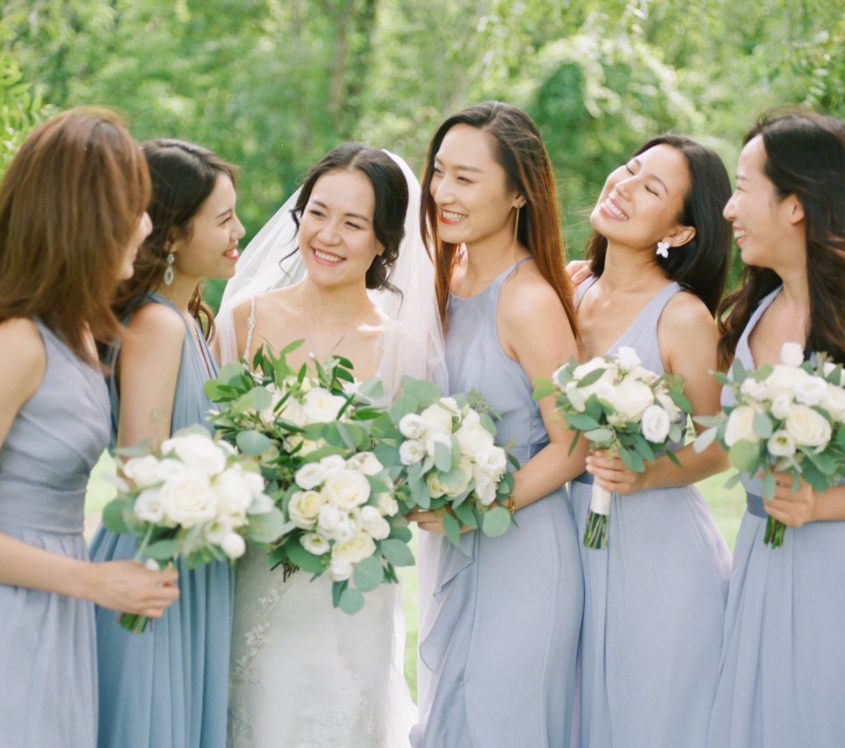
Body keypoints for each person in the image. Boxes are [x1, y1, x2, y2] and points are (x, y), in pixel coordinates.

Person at [0, 108, 178, 747]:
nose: (145, 224)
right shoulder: (14, 342)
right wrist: (92, 580)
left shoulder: (80, 330)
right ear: (84, 219)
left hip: (52, 612)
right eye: (133, 207)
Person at [707, 112, 845, 747]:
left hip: (841, 572)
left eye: (745, 187)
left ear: (797, 205)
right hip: (760, 555)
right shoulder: (753, 313)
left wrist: (818, 502)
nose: (729, 208)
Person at [217, 142, 441, 747]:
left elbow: (408, 490)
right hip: (252, 573)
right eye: (318, 212)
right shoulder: (244, 321)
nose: (329, 235)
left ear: (384, 243)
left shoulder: (404, 351)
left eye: (354, 223)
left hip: (347, 598)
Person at [410, 101, 584, 748]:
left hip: (524, 549)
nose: (443, 193)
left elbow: (573, 445)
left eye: (467, 178)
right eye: (439, 173)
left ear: (518, 193)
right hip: (452, 544)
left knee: (502, 722)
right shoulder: (437, 277)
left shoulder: (531, 301)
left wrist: (477, 503)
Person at [569, 134, 733, 747]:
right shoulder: (570, 287)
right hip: (568, 537)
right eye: (630, 168)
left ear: (682, 232)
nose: (625, 186)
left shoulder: (682, 316)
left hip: (657, 555)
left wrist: (647, 474)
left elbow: (724, 440)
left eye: (652, 188)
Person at [89, 139, 246, 748]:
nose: (240, 231)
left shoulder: (190, 321)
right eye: (224, 219)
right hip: (152, 559)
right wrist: (229, 492)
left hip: (192, 557)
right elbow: (137, 467)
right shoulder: (157, 324)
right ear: (172, 236)